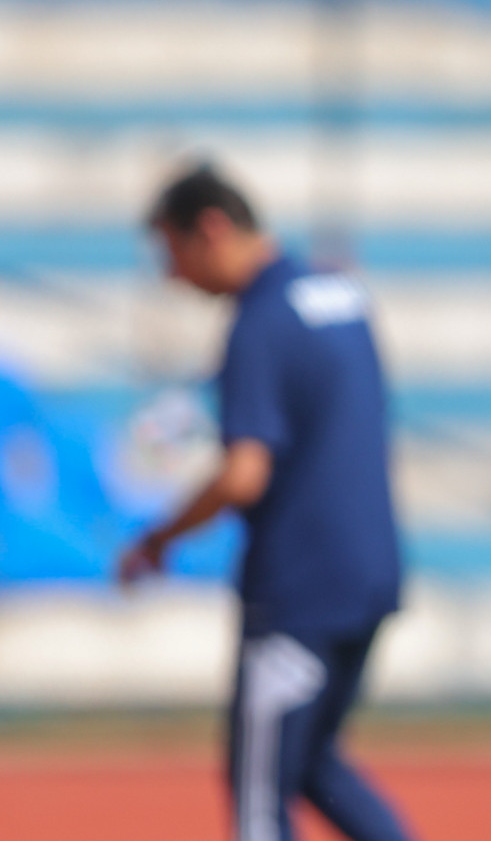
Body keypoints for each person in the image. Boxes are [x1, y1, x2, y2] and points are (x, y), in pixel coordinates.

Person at [119, 165, 412, 841]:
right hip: (370, 574)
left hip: (298, 590)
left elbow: (243, 474)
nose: (173, 275)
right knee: (311, 762)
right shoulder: (341, 294)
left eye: (173, 251)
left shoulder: (257, 321)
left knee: (258, 796)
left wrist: (159, 538)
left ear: (212, 229)